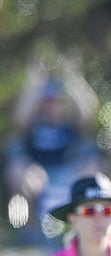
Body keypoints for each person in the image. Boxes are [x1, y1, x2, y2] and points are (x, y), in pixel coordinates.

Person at [4, 56, 103, 244]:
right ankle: (29, 229)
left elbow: (88, 111)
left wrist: (73, 78)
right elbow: (19, 118)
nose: (52, 106)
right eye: (47, 102)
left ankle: (83, 227)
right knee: (21, 173)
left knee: (92, 168)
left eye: (56, 102)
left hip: (69, 171)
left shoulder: (70, 125)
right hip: (39, 173)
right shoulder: (33, 124)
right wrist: (35, 84)